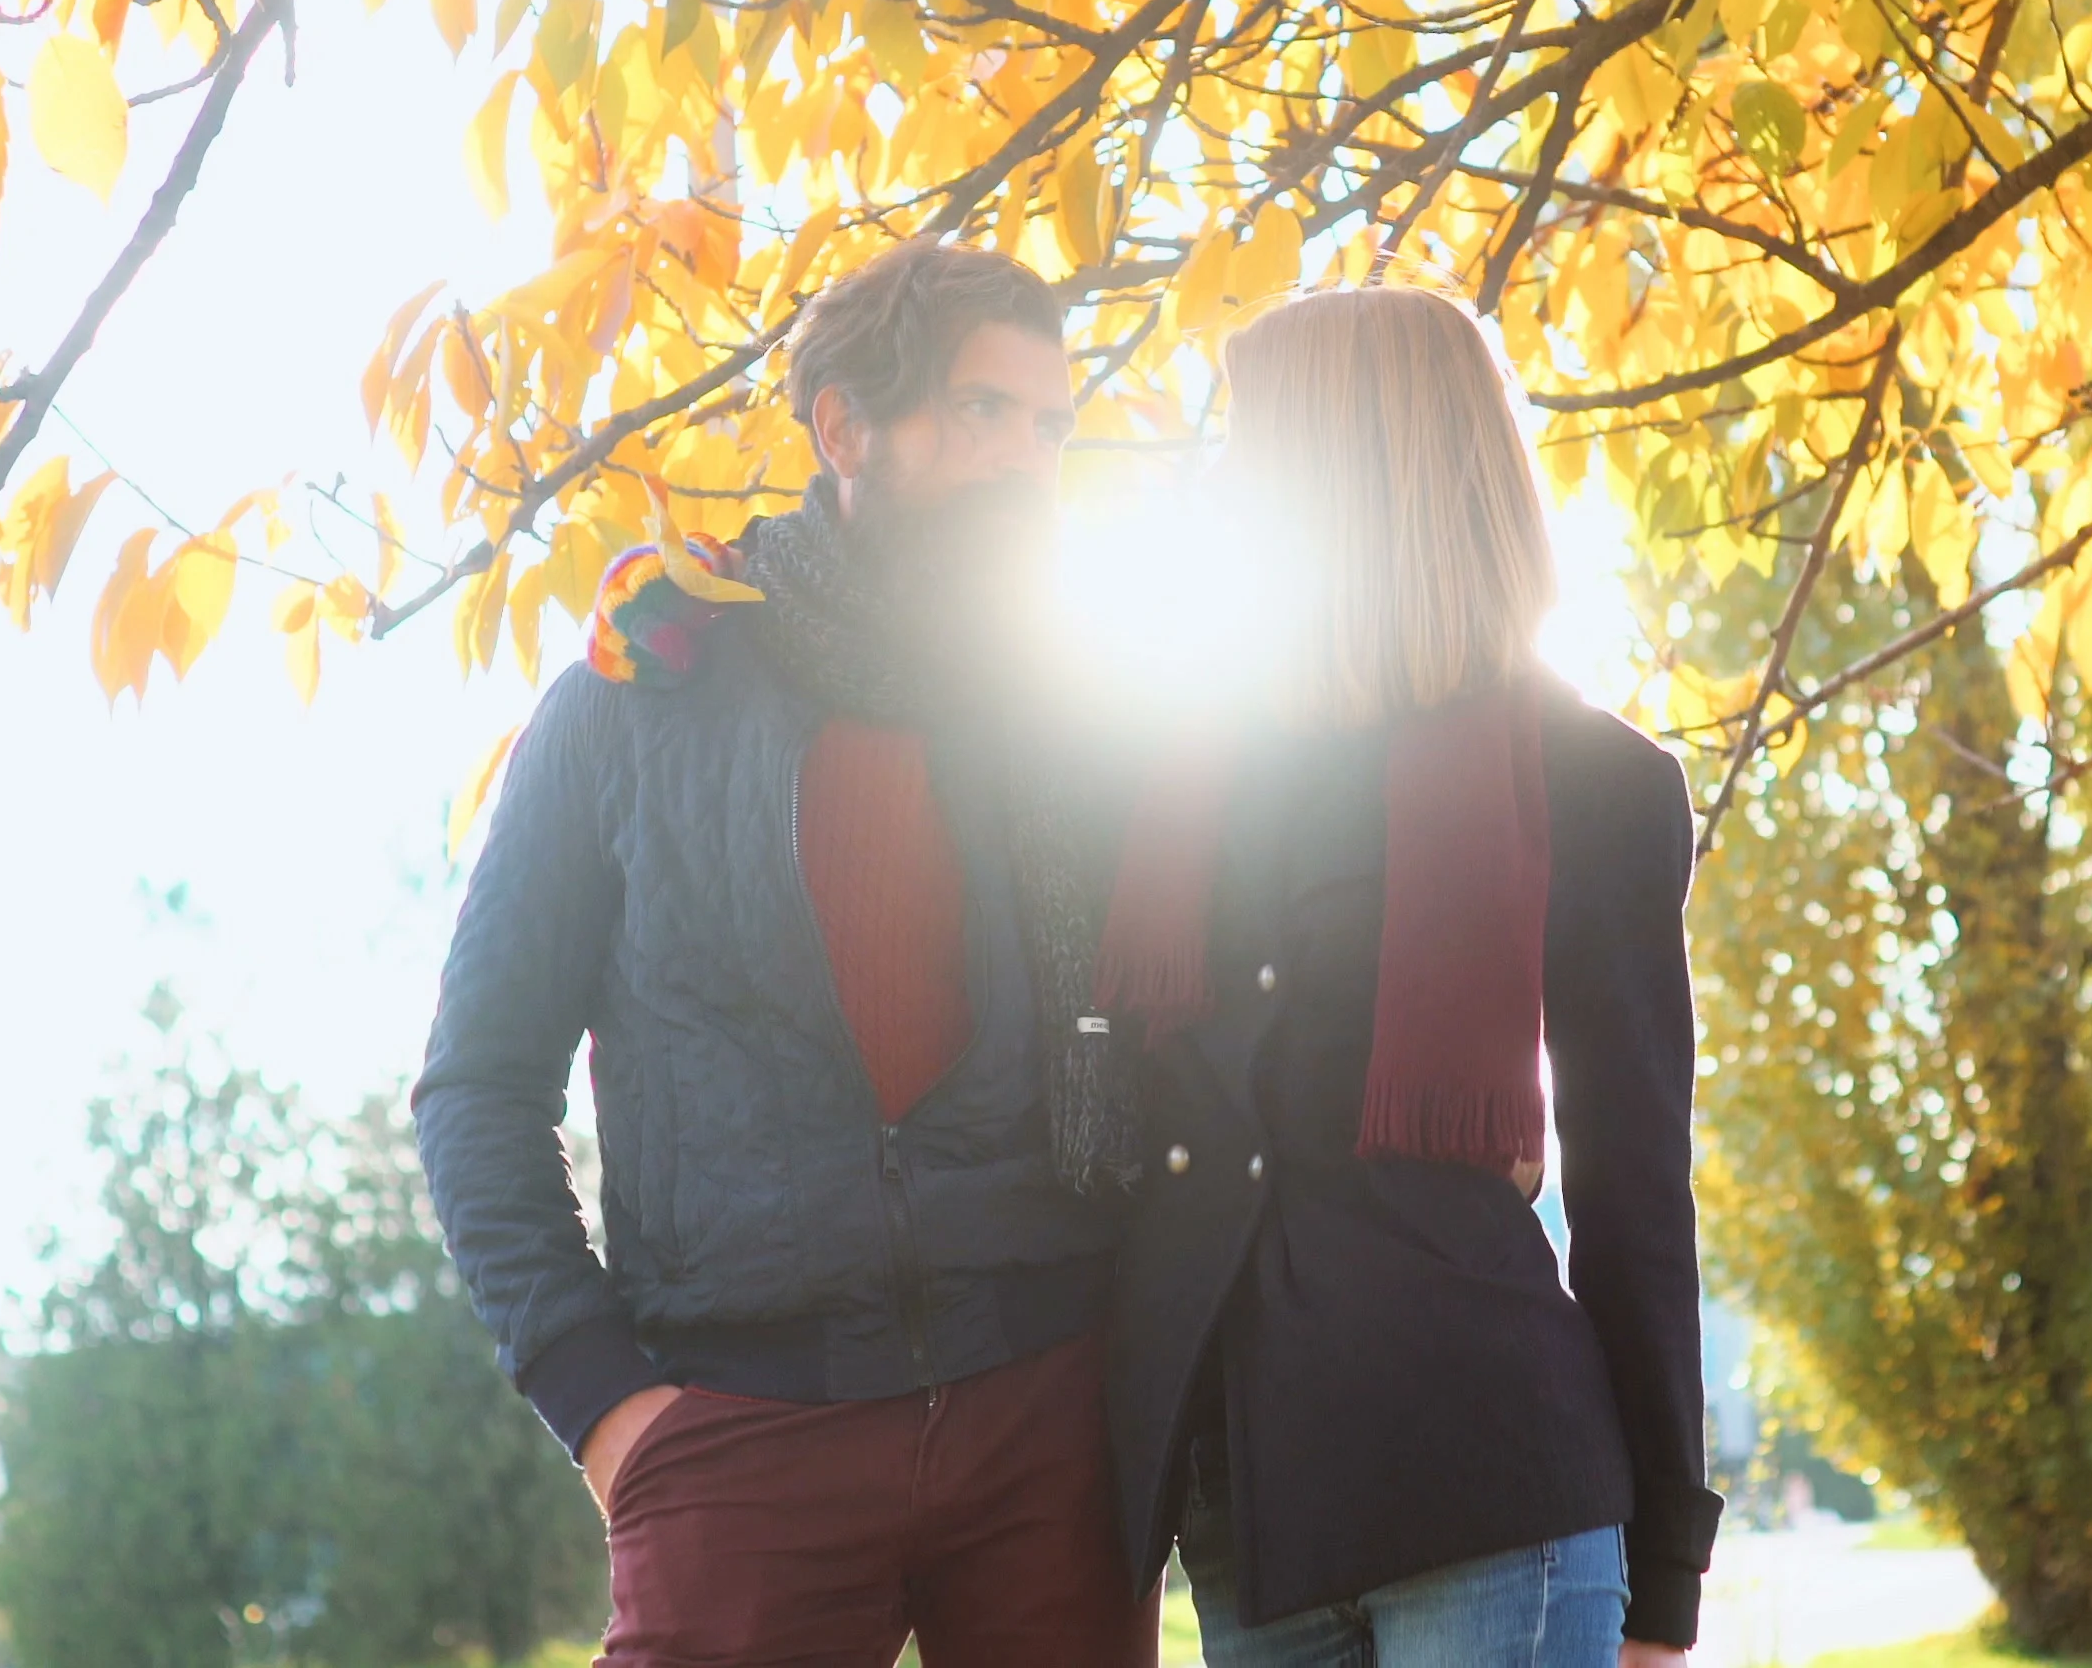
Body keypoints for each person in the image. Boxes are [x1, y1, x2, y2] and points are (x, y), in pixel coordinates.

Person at [412, 240, 1154, 1668]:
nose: (1025, 459)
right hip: (743, 1426)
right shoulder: (638, 696)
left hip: (1048, 1416)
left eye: (1049, 425)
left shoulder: (1081, 702)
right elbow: (479, 1084)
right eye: (979, 412)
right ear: (843, 427)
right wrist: (603, 1404)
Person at [1100, 285, 1722, 1667]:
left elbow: (1635, 1198)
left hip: (1491, 1490)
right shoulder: (1184, 778)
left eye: (1251, 452)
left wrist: (1667, 1580)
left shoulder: (1590, 785)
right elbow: (1127, 1117)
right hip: (1247, 1512)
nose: (1223, 492)